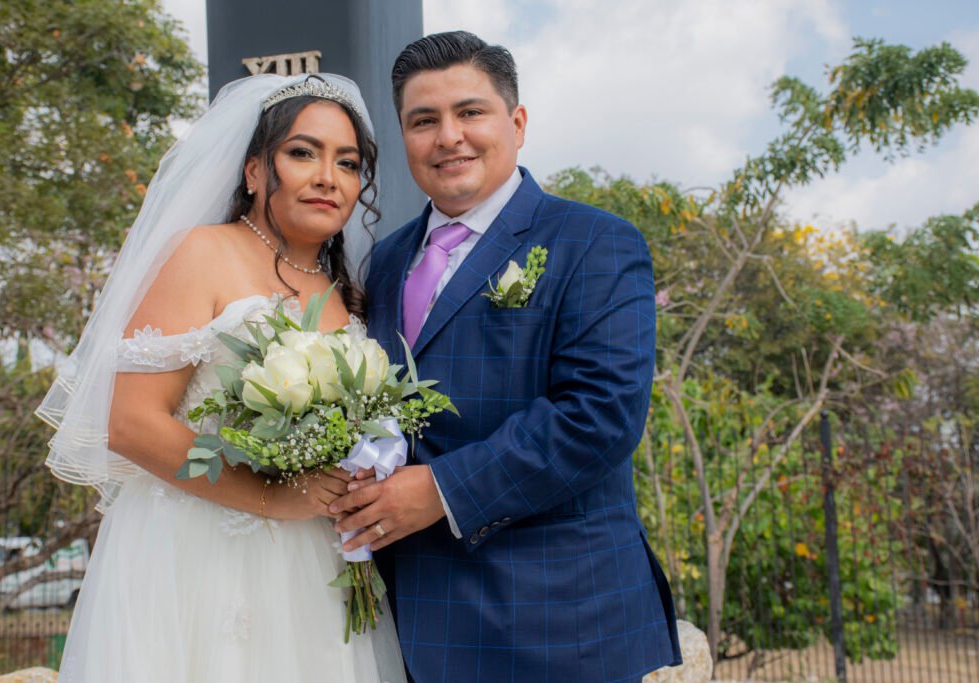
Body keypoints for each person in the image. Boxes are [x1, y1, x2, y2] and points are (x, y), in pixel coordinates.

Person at [330, 31, 683, 681]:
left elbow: (599, 415)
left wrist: (441, 489)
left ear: (516, 123)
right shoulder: (382, 262)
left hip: (555, 623)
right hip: (406, 618)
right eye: (423, 120)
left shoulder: (594, 242)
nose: (448, 136)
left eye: (470, 112)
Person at [37, 73, 405, 682]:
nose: (327, 177)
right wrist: (272, 495)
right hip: (199, 552)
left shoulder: (349, 292)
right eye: (302, 152)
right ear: (255, 170)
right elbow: (129, 424)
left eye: (347, 162)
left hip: (315, 562)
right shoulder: (200, 252)